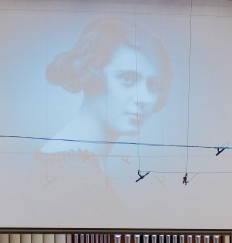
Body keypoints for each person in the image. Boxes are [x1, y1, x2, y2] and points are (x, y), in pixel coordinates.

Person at [37, 18, 172, 188]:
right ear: (91, 75)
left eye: (153, 86)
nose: (145, 98)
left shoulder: (84, 163)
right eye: (127, 79)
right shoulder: (69, 172)